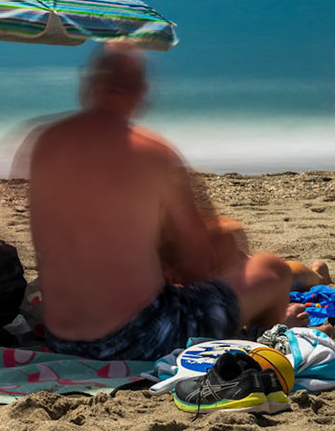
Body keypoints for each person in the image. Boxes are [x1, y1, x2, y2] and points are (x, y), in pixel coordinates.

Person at [25, 45, 306, 361]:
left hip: (63, 339)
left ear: (89, 85)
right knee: (271, 269)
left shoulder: (43, 143)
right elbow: (198, 260)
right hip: (141, 337)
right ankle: (267, 339)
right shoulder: (153, 154)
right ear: (141, 92)